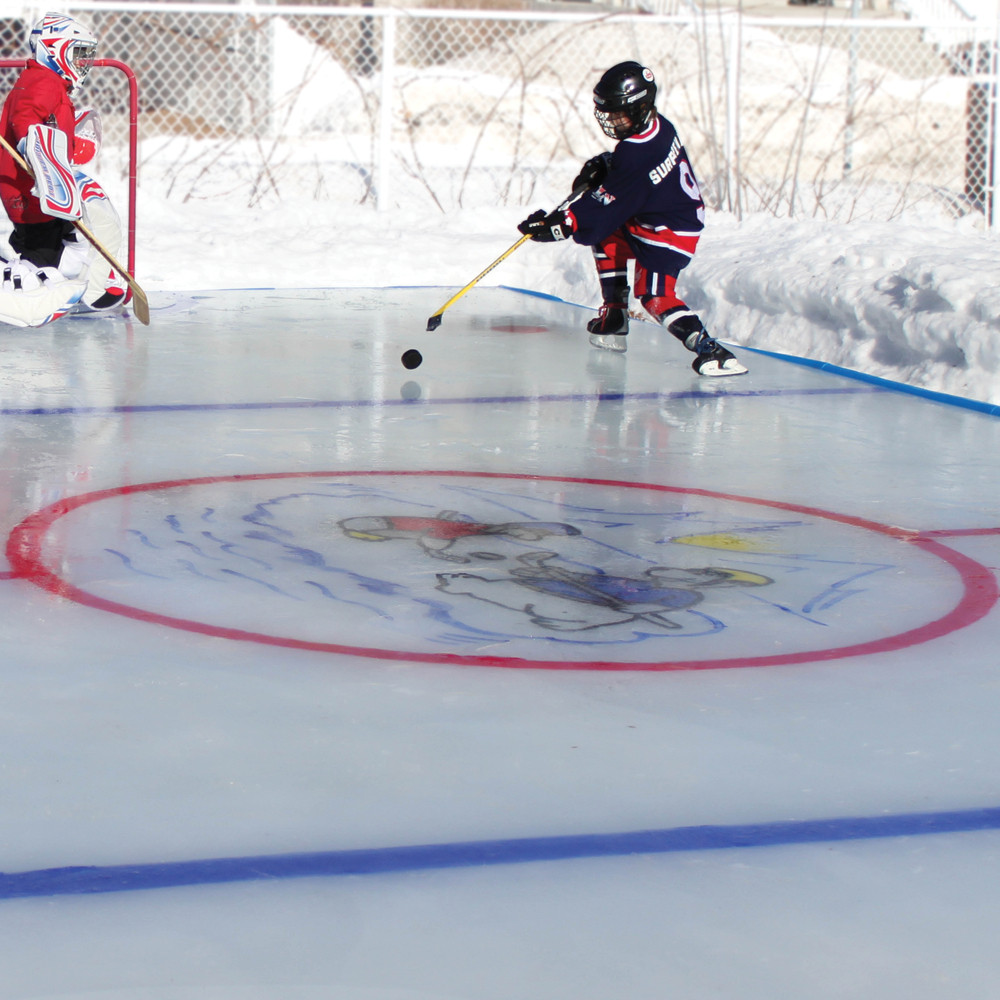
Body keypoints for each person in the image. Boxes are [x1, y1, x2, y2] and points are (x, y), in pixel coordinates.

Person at [518, 61, 746, 377]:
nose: (612, 120)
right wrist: (606, 164)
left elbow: (606, 204)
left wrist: (560, 224)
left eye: (618, 113)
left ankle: (712, 351)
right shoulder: (657, 126)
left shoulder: (637, 153)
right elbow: (624, 188)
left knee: (654, 296)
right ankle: (614, 315)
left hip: (669, 231)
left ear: (639, 107)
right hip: (656, 216)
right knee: (606, 234)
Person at [0, 11, 127, 327]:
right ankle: (29, 284)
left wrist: (71, 147)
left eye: (87, 54)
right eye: (78, 52)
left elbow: (53, 133)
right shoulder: (42, 79)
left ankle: (59, 278)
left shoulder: (54, 85)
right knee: (43, 242)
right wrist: (34, 145)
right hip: (27, 184)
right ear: (54, 49)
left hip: (35, 182)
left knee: (60, 235)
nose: (84, 62)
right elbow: (25, 118)